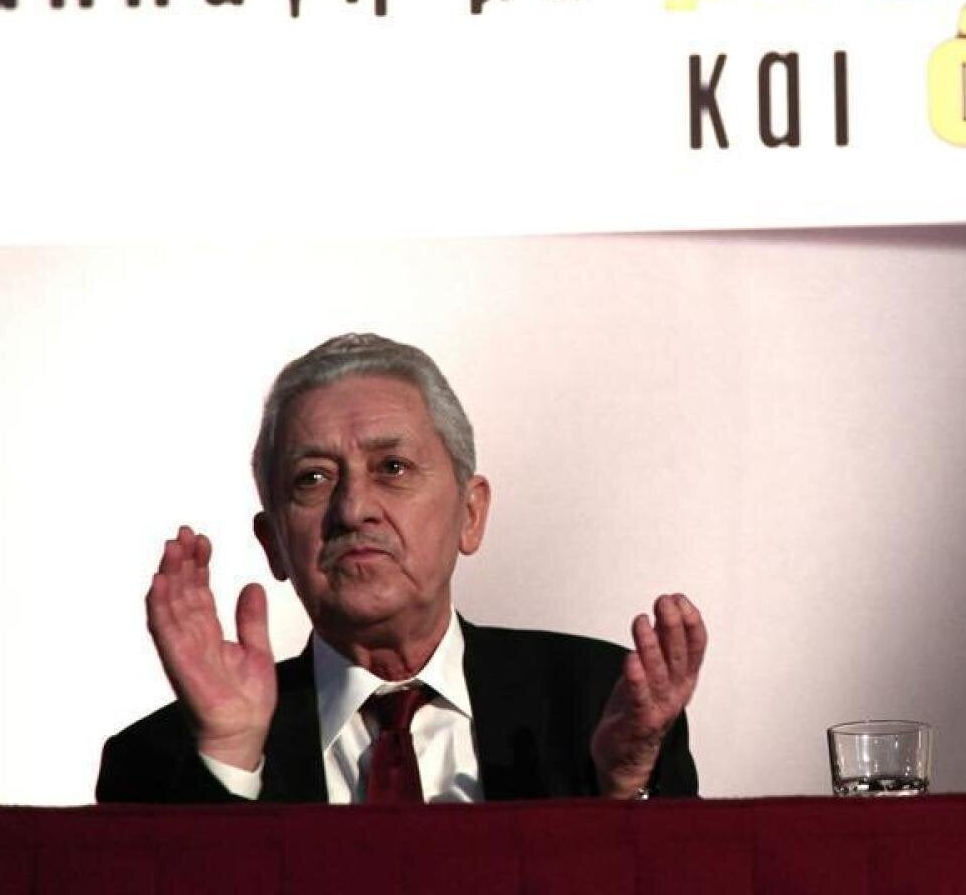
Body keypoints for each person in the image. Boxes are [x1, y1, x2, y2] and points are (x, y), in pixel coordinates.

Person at [96, 333, 705, 802]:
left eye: (392, 468)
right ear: (274, 542)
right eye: (313, 478)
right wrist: (230, 758)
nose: (353, 508)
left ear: (471, 514)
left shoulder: (598, 704)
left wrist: (623, 790)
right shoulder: (157, 759)